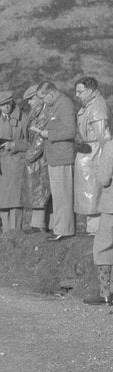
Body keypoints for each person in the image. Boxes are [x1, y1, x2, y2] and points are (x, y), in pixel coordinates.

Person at [34, 81, 77, 241]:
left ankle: (64, 230)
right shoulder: (54, 105)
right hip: (55, 157)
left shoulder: (64, 104)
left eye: (42, 97)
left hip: (62, 156)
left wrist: (47, 134)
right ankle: (60, 228)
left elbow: (70, 130)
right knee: (59, 195)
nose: (42, 101)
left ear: (51, 93)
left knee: (63, 194)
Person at [74, 76, 109, 234]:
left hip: (95, 155)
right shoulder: (89, 106)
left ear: (90, 91)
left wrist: (105, 161)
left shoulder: (96, 109)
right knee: (92, 195)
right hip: (89, 153)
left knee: (95, 193)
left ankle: (96, 231)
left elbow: (104, 137)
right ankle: (93, 229)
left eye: (80, 91)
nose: (77, 95)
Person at [0, 91, 28, 234]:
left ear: (12, 102)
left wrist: (14, 145)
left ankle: (16, 232)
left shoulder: (23, 118)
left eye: (7, 103)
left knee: (16, 201)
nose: (5, 107)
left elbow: (31, 143)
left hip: (16, 163)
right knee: (2, 201)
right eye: (2, 105)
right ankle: (6, 233)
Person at [85, 127, 113, 305]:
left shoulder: (110, 147)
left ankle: (105, 293)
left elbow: (104, 178)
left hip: (111, 206)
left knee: (103, 247)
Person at [22, 84, 52, 233]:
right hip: (37, 158)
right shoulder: (36, 112)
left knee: (40, 191)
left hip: (40, 158)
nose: (29, 102)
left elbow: (39, 140)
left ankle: (40, 224)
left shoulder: (43, 113)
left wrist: (29, 156)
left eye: (31, 99)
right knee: (37, 191)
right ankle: (38, 223)